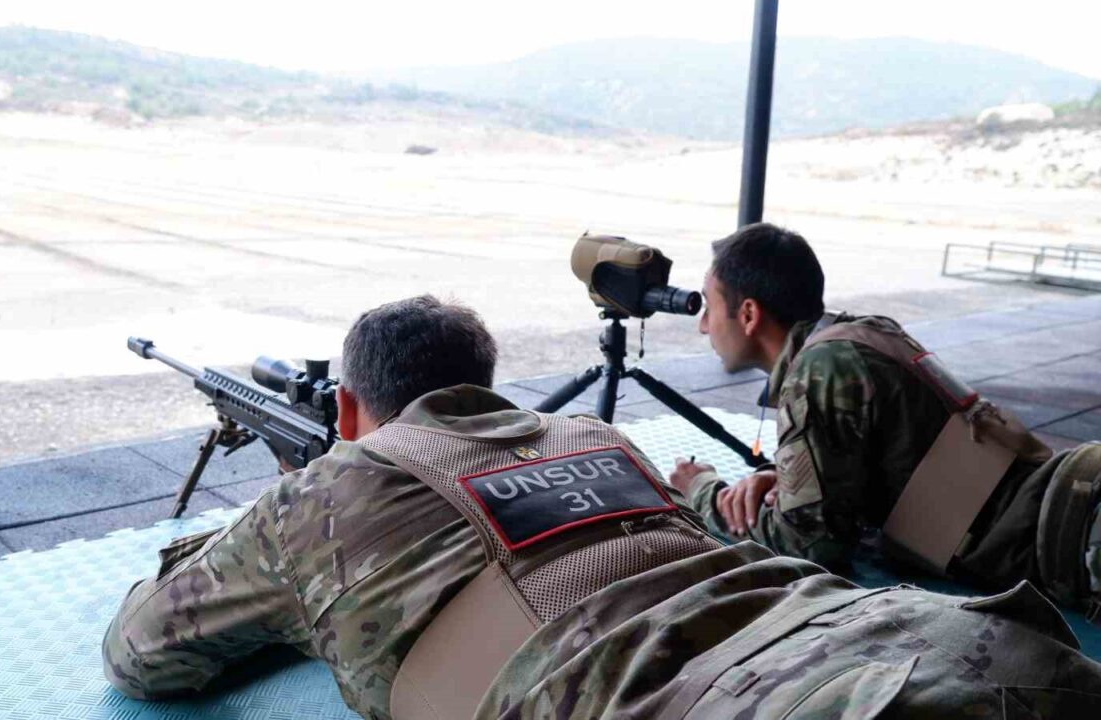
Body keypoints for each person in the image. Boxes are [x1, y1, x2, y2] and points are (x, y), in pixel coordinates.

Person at [104, 294, 1101, 719]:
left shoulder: (327, 492)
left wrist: (276, 537)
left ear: (353, 413)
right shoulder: (595, 439)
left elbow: (145, 655)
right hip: (971, 644)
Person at [668, 222, 1101, 619]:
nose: (703, 326)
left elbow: (807, 546)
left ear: (748, 314)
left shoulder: (819, 371)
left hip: (1074, 533)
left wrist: (702, 491)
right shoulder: (862, 335)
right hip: (1075, 501)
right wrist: (783, 476)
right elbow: (900, 448)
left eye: (709, 305)